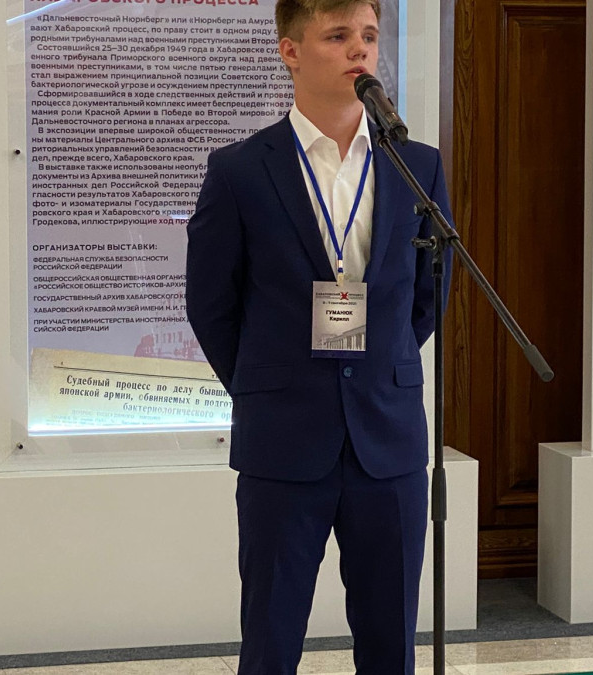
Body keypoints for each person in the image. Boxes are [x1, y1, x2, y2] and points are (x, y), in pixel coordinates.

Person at [185, 0, 454, 672]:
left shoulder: (416, 166)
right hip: (283, 438)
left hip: (387, 438)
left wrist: (377, 369)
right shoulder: (240, 170)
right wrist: (267, 384)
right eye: (337, 36)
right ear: (291, 52)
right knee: (271, 641)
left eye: (368, 35)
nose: (359, 49)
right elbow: (211, 305)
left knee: (390, 644)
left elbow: (426, 298)